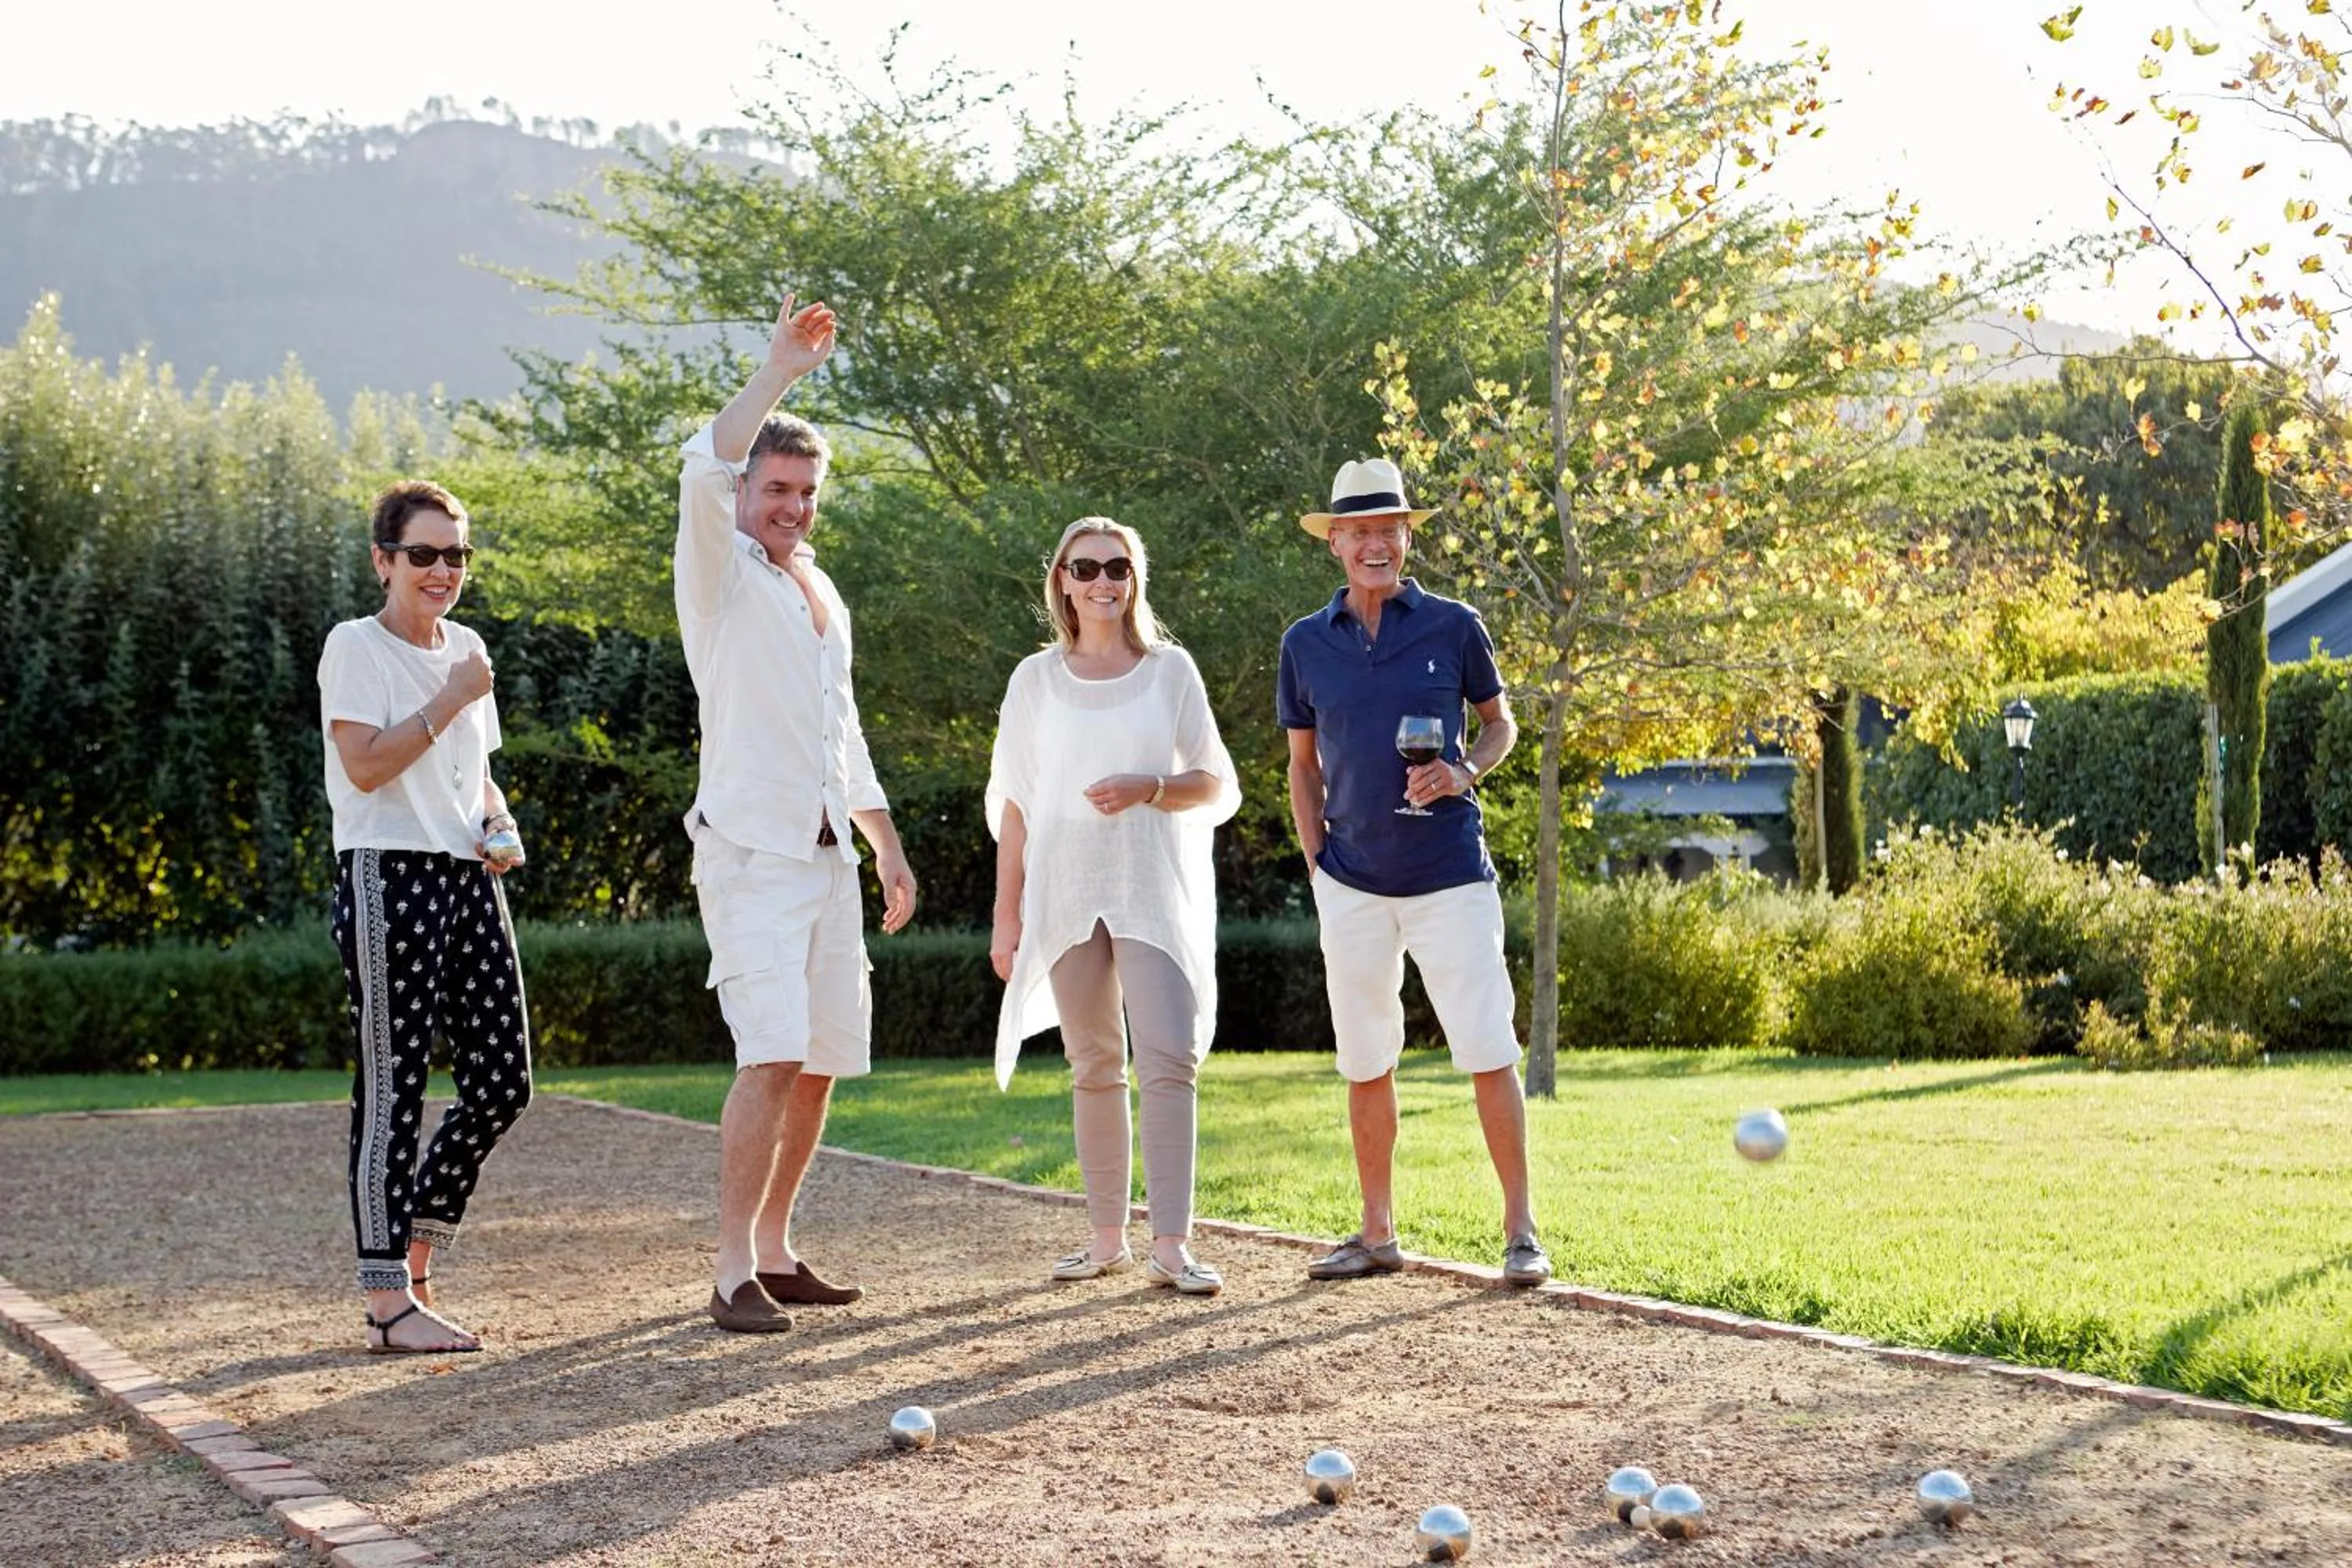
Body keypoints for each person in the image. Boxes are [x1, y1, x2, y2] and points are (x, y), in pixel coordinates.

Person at [677, 294, 918, 1334]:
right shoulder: (717, 577)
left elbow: (841, 730)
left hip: (828, 865)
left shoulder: (820, 592)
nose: (793, 507)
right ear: (745, 491)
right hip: (750, 858)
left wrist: (885, 845)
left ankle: (776, 1249)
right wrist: (776, 370)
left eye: (807, 492)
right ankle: (731, 1269)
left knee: (820, 1063)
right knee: (770, 1054)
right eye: (777, 489)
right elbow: (704, 461)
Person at [1276, 456, 1551, 1288]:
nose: (1376, 545)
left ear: (1406, 537)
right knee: (1366, 1058)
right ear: (1335, 542)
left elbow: (1500, 724)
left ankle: (1521, 1232)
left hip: (1450, 875)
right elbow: (1301, 766)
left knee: (1488, 1048)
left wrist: (1464, 772)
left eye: (1389, 529)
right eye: (1359, 531)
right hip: (1351, 883)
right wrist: (1318, 862)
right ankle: (1377, 1233)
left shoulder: (1454, 625)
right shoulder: (1304, 644)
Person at [986, 519, 1240, 1297]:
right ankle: (1106, 1239)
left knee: (1168, 1055)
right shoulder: (1034, 680)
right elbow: (1016, 804)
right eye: (1087, 567)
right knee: (1094, 1062)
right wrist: (1006, 914)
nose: (1103, 581)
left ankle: (1172, 1246)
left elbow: (1214, 783)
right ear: (1062, 579)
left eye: (1118, 567)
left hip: (1151, 884)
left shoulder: (1170, 670)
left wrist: (1148, 788)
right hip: (1065, 886)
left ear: (1135, 578)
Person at [319, 479, 534, 1353]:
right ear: (384, 561)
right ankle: (387, 1302)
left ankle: (415, 1246)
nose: (442, 570)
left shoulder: (468, 647)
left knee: (504, 1081)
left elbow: (476, 775)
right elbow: (367, 766)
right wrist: (450, 696)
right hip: (388, 872)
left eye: (456, 554)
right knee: (394, 1084)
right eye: (423, 554)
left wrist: (500, 823)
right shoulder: (355, 646)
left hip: (467, 873)